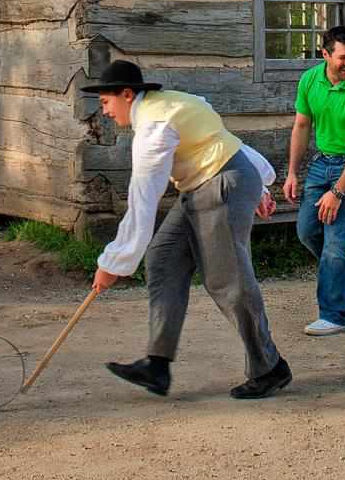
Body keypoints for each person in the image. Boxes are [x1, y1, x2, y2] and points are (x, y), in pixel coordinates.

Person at [87, 60, 291, 400]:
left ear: (126, 95)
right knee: (163, 257)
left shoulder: (154, 126)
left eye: (106, 102)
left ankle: (269, 368)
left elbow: (143, 200)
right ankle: (157, 364)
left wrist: (113, 263)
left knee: (226, 279)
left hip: (221, 184)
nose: (104, 111)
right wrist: (261, 183)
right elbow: (215, 138)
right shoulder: (171, 103)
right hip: (204, 184)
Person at [283, 26, 345, 336]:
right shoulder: (310, 80)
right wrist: (292, 173)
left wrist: (338, 192)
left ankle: (335, 315)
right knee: (307, 231)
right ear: (325, 54)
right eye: (343, 57)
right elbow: (301, 126)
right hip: (322, 161)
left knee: (335, 240)